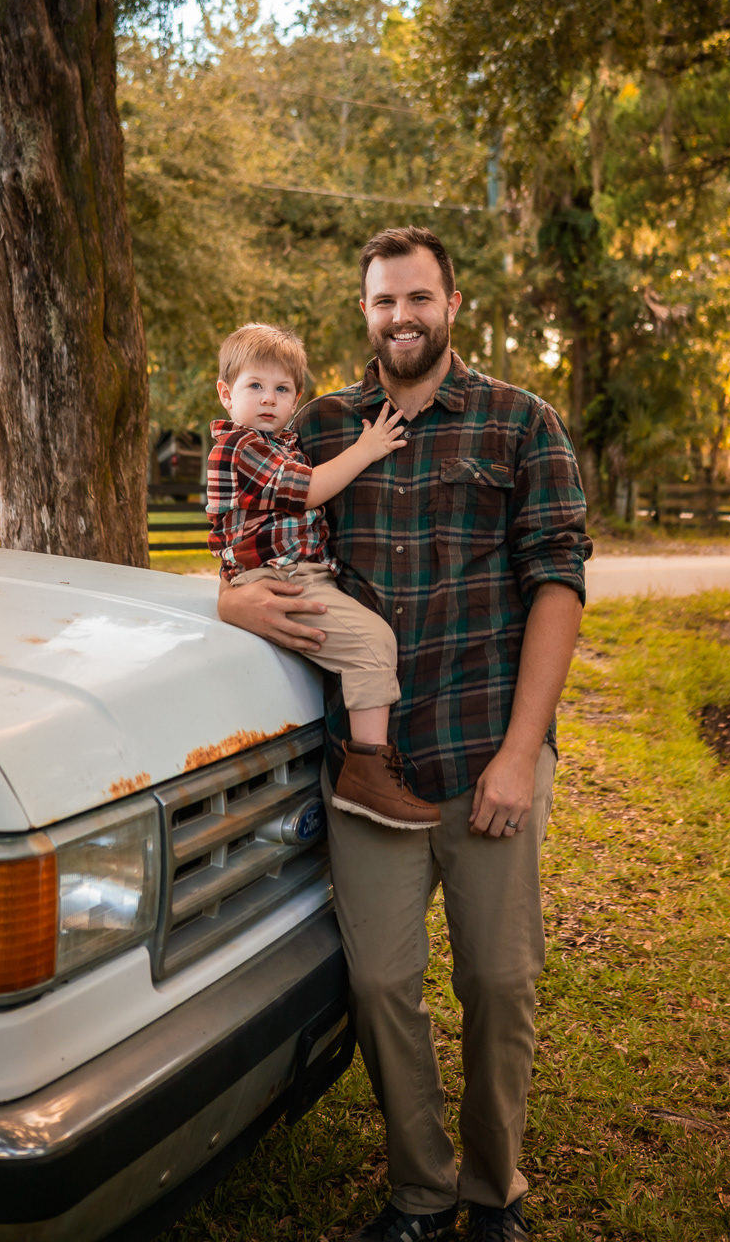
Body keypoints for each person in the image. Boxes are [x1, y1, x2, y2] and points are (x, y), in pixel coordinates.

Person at [218, 228, 591, 1242]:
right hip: (368, 773)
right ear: (366, 311)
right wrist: (238, 605)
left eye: (419, 298)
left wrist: (522, 753)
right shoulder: (325, 424)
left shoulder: (522, 423)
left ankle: (492, 1188)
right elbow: (245, 540)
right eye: (384, 302)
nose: (402, 318)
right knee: (381, 984)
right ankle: (422, 1189)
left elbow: (558, 585)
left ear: (453, 304)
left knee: (499, 983)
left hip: (483, 757)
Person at [207, 322, 440, 828]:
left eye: (282, 389)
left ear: (295, 398)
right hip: (278, 579)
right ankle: (367, 772)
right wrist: (369, 446)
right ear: (226, 393)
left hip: (294, 573)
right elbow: (308, 490)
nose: (268, 399)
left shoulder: (277, 442)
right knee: (374, 642)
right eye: (255, 386)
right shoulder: (241, 446)